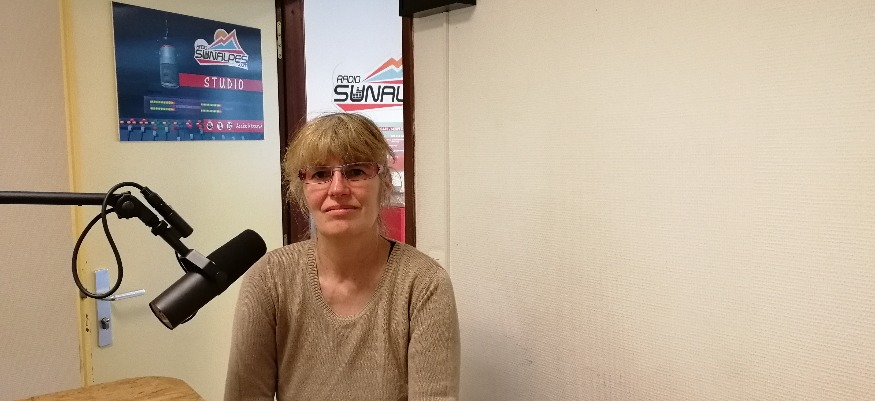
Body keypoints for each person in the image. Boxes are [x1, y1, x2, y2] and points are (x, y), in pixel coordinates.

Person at [224, 112, 461, 401]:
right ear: (302, 191)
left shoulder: (424, 284)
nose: (337, 189)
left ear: (385, 184)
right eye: (320, 175)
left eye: (356, 172)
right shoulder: (270, 278)